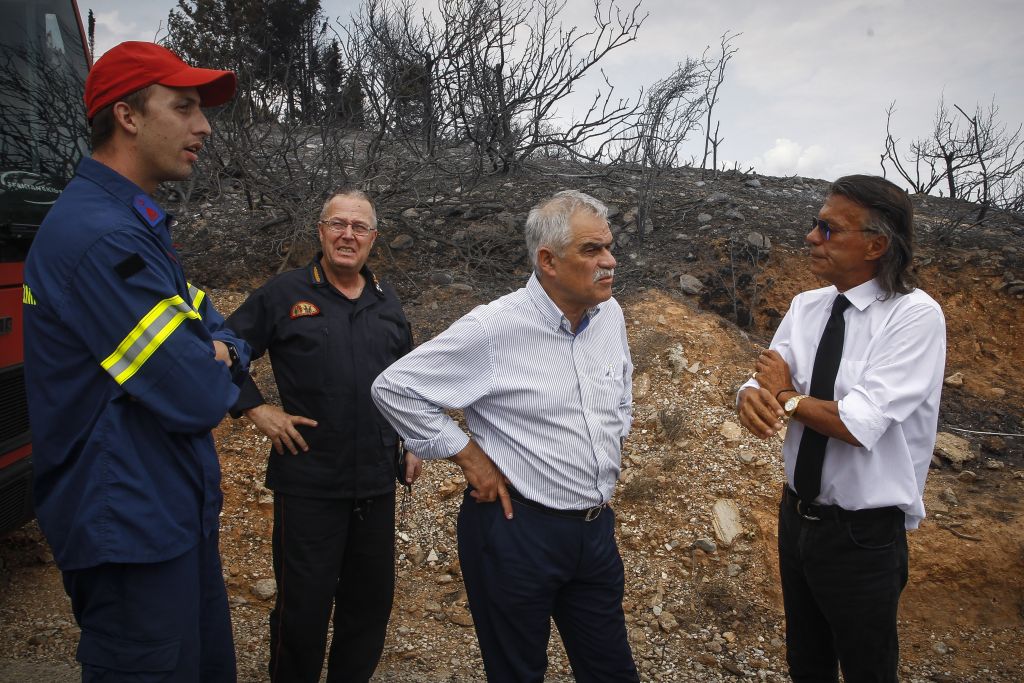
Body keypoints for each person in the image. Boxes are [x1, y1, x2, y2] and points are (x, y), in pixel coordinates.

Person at [22, 42, 248, 681]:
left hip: (165, 513)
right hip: (129, 529)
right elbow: (202, 395)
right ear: (126, 116)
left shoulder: (133, 224)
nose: (203, 126)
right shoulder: (101, 237)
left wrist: (217, 349)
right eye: (183, 107)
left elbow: (213, 326)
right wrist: (213, 356)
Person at [372, 190, 639, 683]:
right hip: (517, 531)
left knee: (612, 670)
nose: (609, 261)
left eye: (609, 247)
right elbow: (395, 388)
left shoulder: (610, 316)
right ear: (548, 260)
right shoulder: (492, 329)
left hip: (594, 529)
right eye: (592, 250)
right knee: (517, 672)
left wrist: (609, 442)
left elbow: (620, 389)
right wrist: (469, 456)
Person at [736, 174, 946, 682]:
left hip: (862, 535)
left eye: (829, 229)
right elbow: (763, 375)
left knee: (867, 668)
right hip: (797, 518)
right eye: (815, 225)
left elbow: (858, 423)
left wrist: (786, 397)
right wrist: (749, 396)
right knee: (806, 662)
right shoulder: (807, 307)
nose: (811, 237)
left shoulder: (914, 317)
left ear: (876, 245)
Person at [226, 188, 421, 683]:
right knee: (302, 612)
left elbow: (410, 381)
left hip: (376, 484)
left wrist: (415, 439)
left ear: (373, 238)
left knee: (368, 608)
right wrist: (255, 407)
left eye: (359, 227)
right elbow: (221, 351)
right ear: (320, 231)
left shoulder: (387, 303)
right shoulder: (284, 294)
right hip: (309, 482)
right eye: (338, 224)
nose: (347, 235)